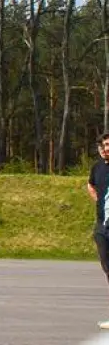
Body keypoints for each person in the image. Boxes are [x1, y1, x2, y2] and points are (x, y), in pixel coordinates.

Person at [86, 132, 109, 325]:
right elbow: (90, 184)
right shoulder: (98, 167)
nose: (107, 148)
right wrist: (98, 199)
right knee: (107, 268)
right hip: (102, 226)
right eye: (105, 145)